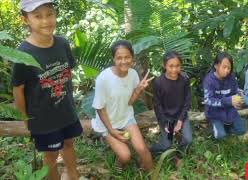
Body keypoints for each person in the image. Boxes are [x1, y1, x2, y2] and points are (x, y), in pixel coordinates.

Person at [12, 0, 83, 179]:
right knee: (50, 156)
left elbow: (68, 73)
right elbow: (18, 90)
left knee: (69, 144)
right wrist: (25, 118)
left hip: (66, 111)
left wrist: (69, 100)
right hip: (43, 119)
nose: (46, 21)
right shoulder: (22, 54)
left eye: (49, 14)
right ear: (25, 20)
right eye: (38, 16)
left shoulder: (62, 43)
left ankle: (73, 176)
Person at [91, 40, 153, 171]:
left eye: (127, 57)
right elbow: (99, 107)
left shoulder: (133, 74)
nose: (124, 61)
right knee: (125, 156)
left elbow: (129, 102)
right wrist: (112, 130)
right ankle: (119, 165)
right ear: (113, 59)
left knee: (142, 149)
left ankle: (153, 174)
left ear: (132, 57)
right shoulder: (104, 78)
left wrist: (138, 90)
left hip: (126, 117)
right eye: (119, 58)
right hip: (108, 123)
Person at [150, 51, 192, 166]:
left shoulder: (184, 79)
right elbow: (157, 105)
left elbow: (187, 100)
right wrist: (165, 123)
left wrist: (180, 120)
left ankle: (178, 155)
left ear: (181, 66)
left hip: (181, 116)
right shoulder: (159, 82)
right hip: (167, 118)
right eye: (171, 66)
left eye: (177, 66)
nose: (174, 70)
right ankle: (150, 150)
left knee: (188, 139)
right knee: (167, 144)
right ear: (164, 66)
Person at [203, 52, 246, 139]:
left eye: (229, 68)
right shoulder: (209, 80)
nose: (227, 70)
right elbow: (208, 100)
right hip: (214, 112)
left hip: (229, 109)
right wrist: (229, 100)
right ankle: (214, 129)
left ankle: (224, 127)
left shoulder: (231, 77)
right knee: (220, 136)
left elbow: (236, 90)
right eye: (224, 67)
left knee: (241, 130)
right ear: (216, 66)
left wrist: (241, 97)